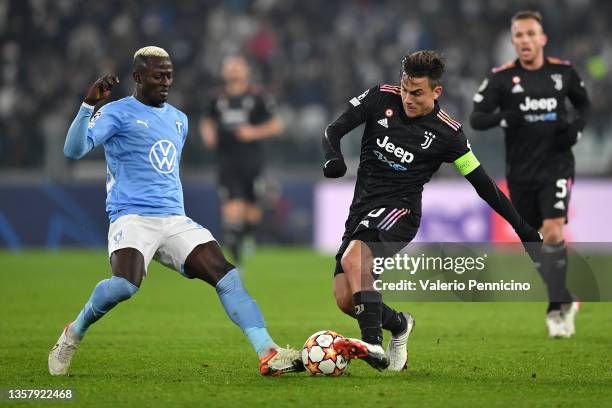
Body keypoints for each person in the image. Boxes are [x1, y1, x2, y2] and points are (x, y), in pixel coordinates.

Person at [48, 46, 301, 376]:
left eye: (169, 75)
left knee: (227, 275)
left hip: (173, 218)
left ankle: (268, 352)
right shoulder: (116, 112)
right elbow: (74, 149)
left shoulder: (179, 119)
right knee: (125, 285)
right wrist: (87, 105)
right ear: (138, 77)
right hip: (131, 216)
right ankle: (73, 333)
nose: (166, 82)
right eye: (158, 76)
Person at [322, 50, 542, 371]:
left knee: (354, 259)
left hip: (401, 212)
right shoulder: (379, 98)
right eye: (404, 89)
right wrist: (333, 157)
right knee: (345, 298)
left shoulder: (448, 134)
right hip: (361, 210)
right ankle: (399, 324)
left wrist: (524, 230)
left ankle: (372, 344)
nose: (407, 98)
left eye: (417, 93)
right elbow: (333, 129)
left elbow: (484, 185)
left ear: (436, 92)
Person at [470, 10, 590, 338]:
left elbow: (584, 105)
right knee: (533, 242)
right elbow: (477, 118)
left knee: (553, 231)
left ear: (542, 38)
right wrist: (505, 117)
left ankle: (555, 310)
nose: (524, 40)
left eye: (530, 34)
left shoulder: (563, 73)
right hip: (521, 173)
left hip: (556, 166)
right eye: (519, 35)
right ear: (513, 41)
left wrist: (576, 130)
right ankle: (564, 296)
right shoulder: (501, 78)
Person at [200, 55, 283, 264]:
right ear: (224, 72)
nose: (234, 70)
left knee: (252, 214)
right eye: (230, 67)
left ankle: (246, 237)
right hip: (227, 160)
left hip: (252, 160)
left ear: (246, 71)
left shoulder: (258, 96)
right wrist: (208, 134)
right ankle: (235, 260)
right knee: (232, 208)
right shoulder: (216, 98)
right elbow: (207, 120)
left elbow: (276, 125)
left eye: (238, 67)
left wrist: (253, 132)